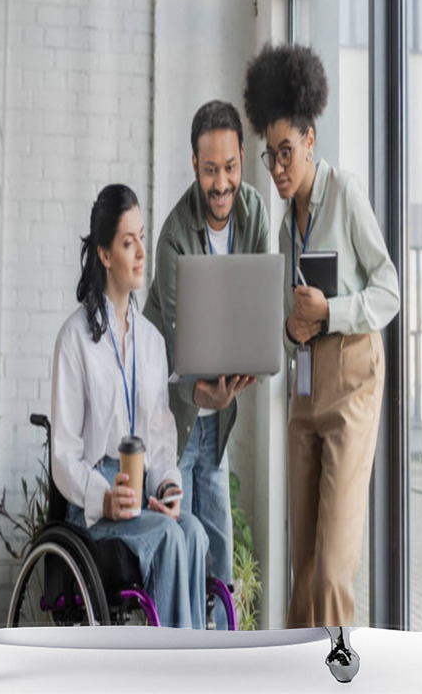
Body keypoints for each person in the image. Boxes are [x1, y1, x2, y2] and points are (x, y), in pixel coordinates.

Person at [242, 44, 400, 628]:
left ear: (311, 140)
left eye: (287, 152)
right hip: (304, 397)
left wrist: (330, 311)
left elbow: (390, 291)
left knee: (333, 572)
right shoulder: (286, 231)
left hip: (352, 384)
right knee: (303, 570)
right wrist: (289, 328)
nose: (279, 167)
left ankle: (337, 673)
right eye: (271, 155)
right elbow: (289, 340)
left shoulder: (347, 194)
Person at [51, 183, 209, 629]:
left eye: (142, 237)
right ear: (104, 254)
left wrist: (168, 489)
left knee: (192, 533)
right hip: (96, 509)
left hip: (141, 500)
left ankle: (195, 668)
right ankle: (176, 673)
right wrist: (104, 496)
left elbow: (160, 444)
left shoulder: (153, 343)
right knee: (167, 538)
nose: (141, 252)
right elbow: (62, 455)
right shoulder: (75, 340)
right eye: (127, 242)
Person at [143, 100, 269, 618]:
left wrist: (249, 365)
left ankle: (220, 662)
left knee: (217, 547)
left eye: (231, 167)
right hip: (176, 409)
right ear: (195, 165)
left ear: (242, 159)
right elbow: (178, 343)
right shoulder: (175, 234)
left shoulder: (255, 211)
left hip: (217, 411)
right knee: (184, 543)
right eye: (211, 169)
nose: (222, 183)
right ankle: (187, 658)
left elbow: (261, 303)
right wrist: (202, 391)